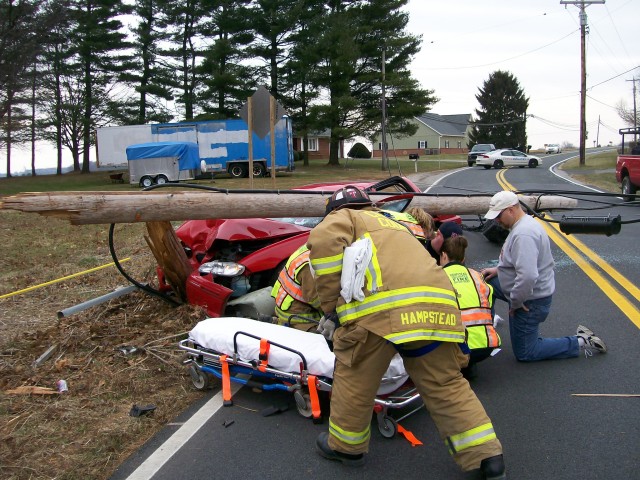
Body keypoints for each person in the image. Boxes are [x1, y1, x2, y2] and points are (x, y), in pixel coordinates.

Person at [307, 186, 505, 479]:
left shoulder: (344, 218)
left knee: (354, 375)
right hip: (438, 309)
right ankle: (487, 457)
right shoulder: (396, 221)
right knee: (446, 383)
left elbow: (324, 243)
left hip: (380, 314)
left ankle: (346, 448)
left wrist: (330, 309)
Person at [480, 191, 607, 362]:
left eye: (498, 216)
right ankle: (484, 331)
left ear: (510, 210)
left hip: (530, 300)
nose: (496, 220)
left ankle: (581, 341)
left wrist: (516, 303)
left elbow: (528, 276)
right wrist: (498, 270)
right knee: (485, 284)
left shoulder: (523, 234)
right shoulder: (521, 225)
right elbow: (519, 261)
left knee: (526, 353)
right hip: (521, 289)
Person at [440, 235, 501, 379]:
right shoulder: (477, 276)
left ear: (443, 255)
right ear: (463, 259)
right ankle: (469, 364)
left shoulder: (437, 276)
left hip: (458, 348)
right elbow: (489, 305)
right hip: (486, 346)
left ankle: (455, 367)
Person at [270, 244, 322, 332]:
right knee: (325, 340)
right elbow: (317, 300)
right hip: (297, 317)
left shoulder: (308, 247)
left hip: (283, 306)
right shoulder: (309, 265)